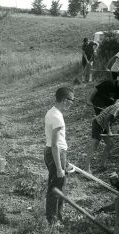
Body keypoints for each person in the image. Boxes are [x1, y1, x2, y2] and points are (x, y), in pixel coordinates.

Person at [44, 87, 74, 225]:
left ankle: (58, 217)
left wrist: (64, 163)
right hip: (56, 152)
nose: (72, 103)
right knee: (56, 187)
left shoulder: (52, 112)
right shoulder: (57, 117)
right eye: (71, 100)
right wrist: (59, 168)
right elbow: (56, 145)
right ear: (64, 100)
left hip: (53, 152)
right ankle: (53, 220)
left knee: (60, 186)